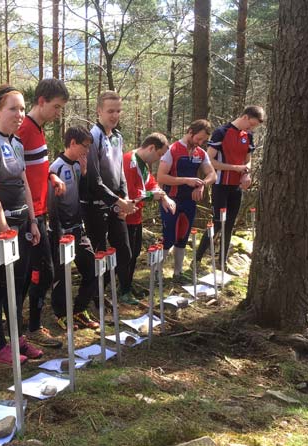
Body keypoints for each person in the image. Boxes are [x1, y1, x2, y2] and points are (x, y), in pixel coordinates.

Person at [0, 85, 42, 365]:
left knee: (19, 284)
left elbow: (24, 183)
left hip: (22, 223)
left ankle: (16, 337)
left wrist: (33, 221)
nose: (19, 114)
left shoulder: (16, 142)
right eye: (13, 108)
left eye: (22, 109)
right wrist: (4, 231)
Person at [17, 78, 69, 349]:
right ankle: (27, 327)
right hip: (28, 214)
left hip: (40, 210)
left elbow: (35, 165)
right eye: (56, 107)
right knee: (41, 272)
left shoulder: (39, 129)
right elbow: (16, 170)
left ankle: (25, 325)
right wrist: (29, 214)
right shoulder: (24, 129)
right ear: (41, 101)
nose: (58, 112)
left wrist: (52, 176)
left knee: (38, 272)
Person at [195, 106, 265, 273]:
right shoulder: (222, 132)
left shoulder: (248, 136)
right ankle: (197, 259)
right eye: (251, 125)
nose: (251, 129)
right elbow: (209, 161)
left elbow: (248, 160)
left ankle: (222, 263)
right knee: (218, 222)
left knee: (230, 224)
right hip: (221, 185)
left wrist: (246, 173)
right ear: (245, 117)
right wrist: (235, 168)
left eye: (254, 127)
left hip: (236, 186)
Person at [83, 91, 137, 303]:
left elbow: (120, 171)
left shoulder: (118, 137)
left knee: (124, 250)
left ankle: (116, 290)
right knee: (99, 252)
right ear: (99, 111)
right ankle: (97, 295)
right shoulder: (92, 137)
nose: (114, 115)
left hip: (116, 203)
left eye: (118, 111)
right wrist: (116, 200)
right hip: (95, 205)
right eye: (110, 111)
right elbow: (93, 179)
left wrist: (124, 197)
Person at [48, 126, 100, 330]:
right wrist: (59, 231)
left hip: (79, 229)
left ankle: (79, 310)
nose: (86, 151)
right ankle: (61, 314)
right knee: (61, 276)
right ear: (72, 143)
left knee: (92, 269)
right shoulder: (56, 168)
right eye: (84, 146)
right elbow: (51, 205)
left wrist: (85, 172)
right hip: (61, 232)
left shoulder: (78, 165)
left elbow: (83, 195)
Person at [157, 119, 217, 282]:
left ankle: (178, 273)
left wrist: (202, 185)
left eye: (204, 140)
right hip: (171, 199)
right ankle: (157, 273)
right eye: (199, 139)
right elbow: (161, 177)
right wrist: (185, 180)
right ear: (190, 132)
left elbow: (213, 174)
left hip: (189, 201)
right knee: (169, 236)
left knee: (183, 237)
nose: (201, 142)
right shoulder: (172, 150)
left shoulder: (201, 153)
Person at [123, 133, 176, 299]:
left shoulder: (142, 164)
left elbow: (151, 183)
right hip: (126, 216)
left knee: (135, 252)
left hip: (136, 215)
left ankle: (127, 286)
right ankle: (123, 290)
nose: (158, 159)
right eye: (159, 155)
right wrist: (153, 196)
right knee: (127, 254)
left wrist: (164, 196)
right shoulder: (129, 161)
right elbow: (131, 192)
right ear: (151, 147)